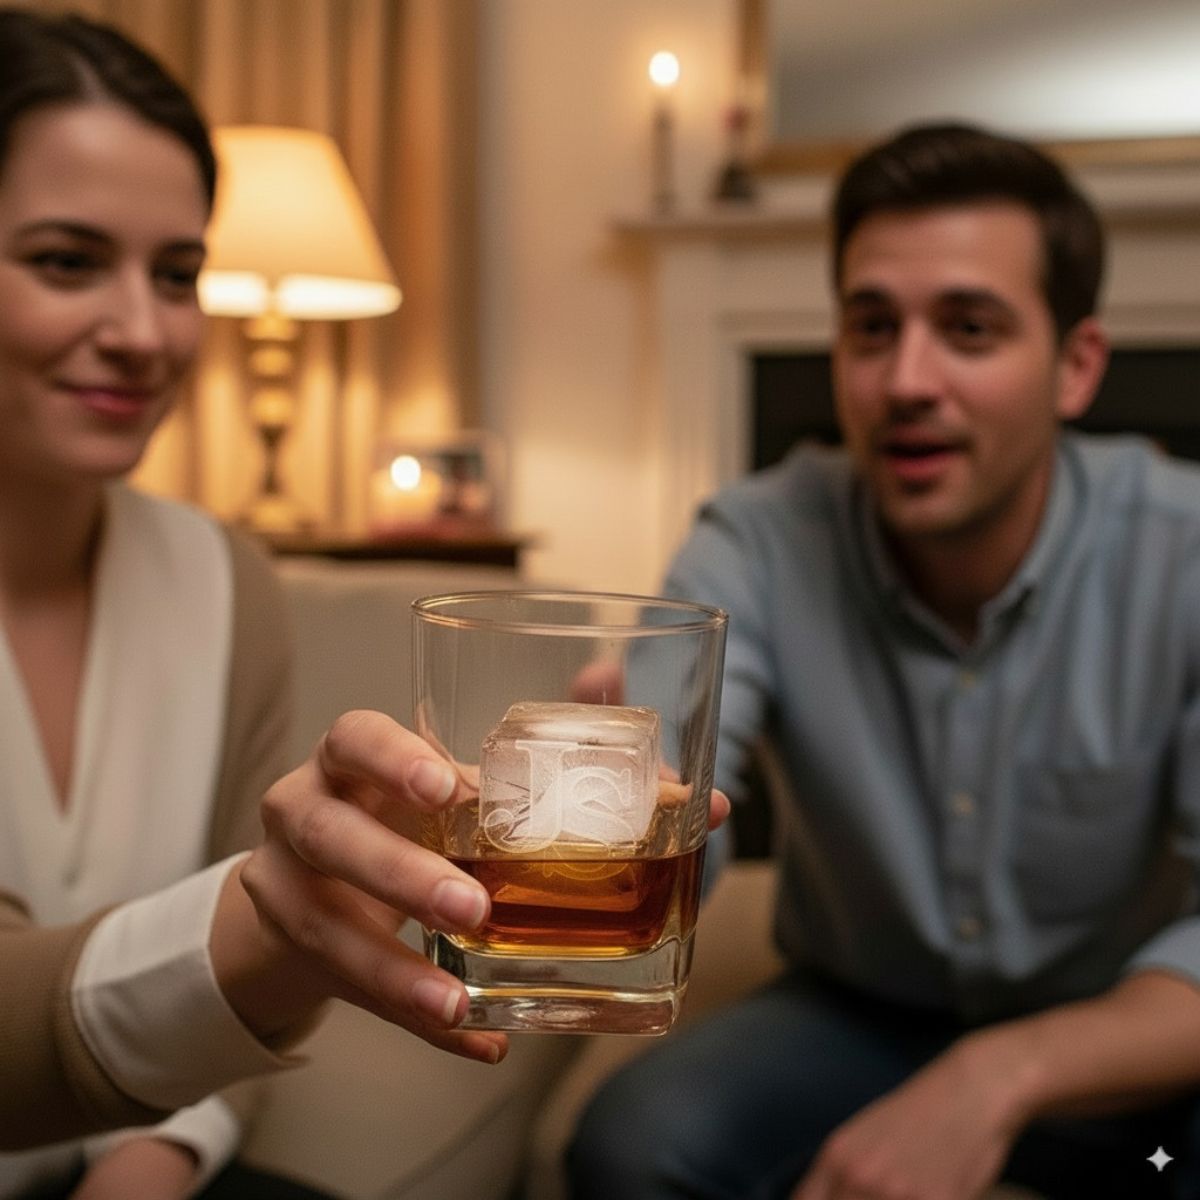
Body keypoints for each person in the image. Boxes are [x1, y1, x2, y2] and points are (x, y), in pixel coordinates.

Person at [567, 122, 1200, 1200]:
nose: (907, 380)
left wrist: (996, 1077)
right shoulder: (755, 539)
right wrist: (615, 822)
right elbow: (673, 774)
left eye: (969, 329)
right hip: (855, 1016)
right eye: (872, 327)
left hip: (1123, 1034)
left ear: (1076, 366)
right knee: (631, 1146)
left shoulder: (1181, 550)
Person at [0, 9, 513, 1198]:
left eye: (178, 276)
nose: (143, 334)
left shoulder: (223, 581)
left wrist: (152, 1164)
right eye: (67, 262)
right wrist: (257, 926)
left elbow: (227, 1014)